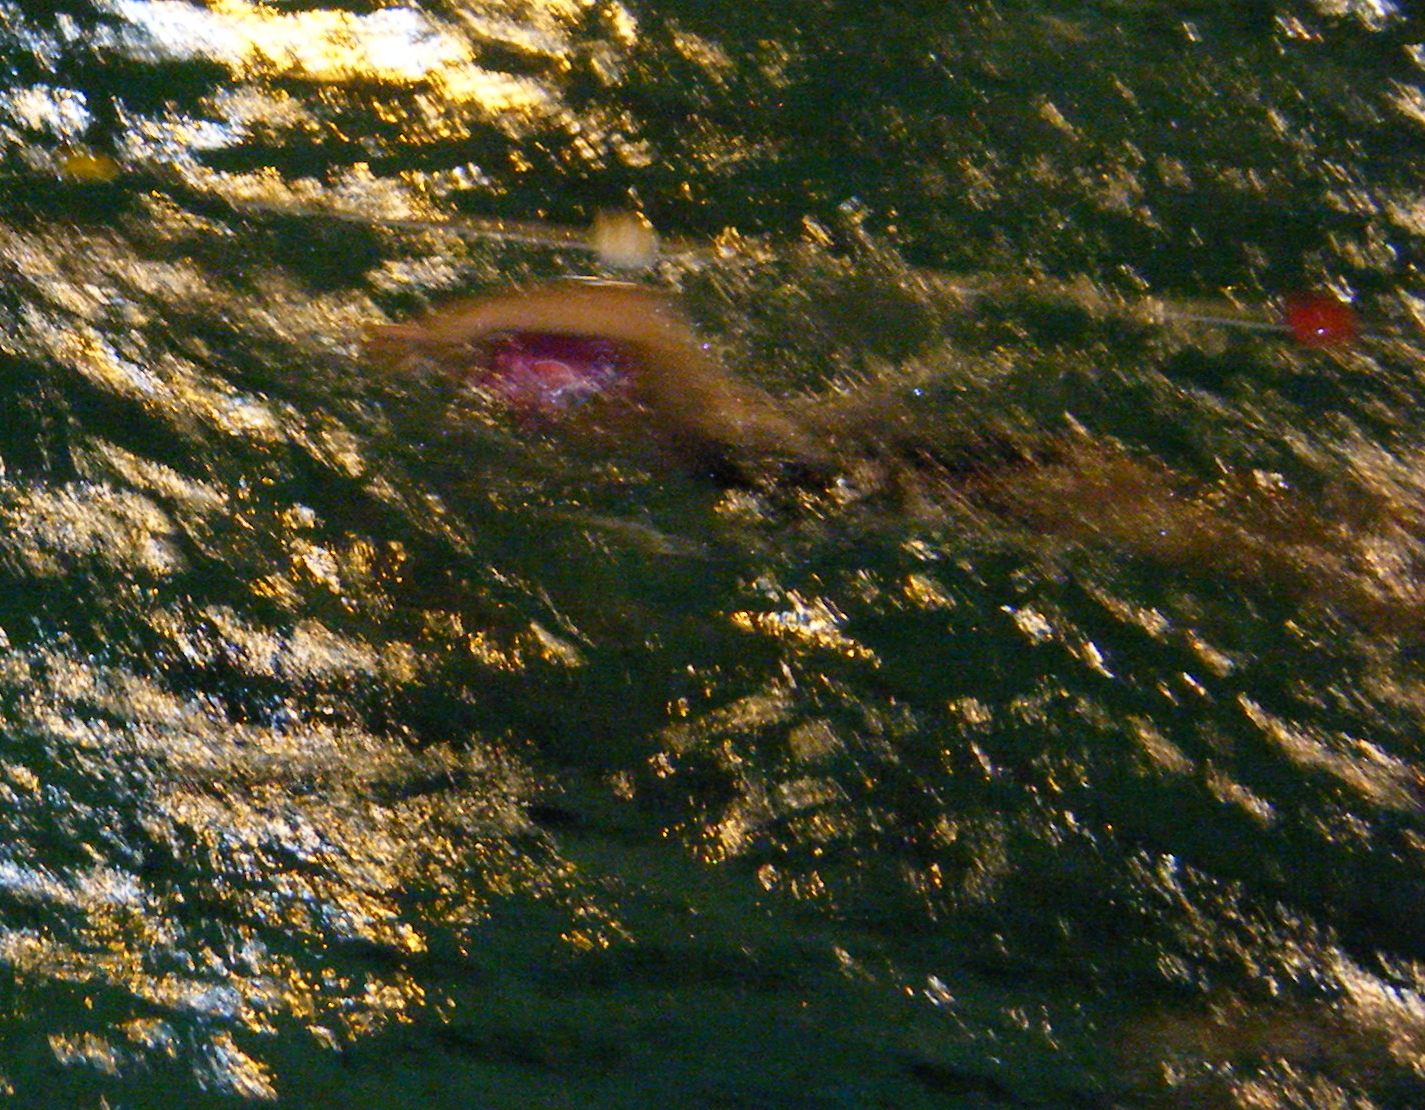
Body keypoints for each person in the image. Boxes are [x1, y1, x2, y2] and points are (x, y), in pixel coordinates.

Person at [367, 280, 1425, 627]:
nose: (574, 435)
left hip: (919, 478)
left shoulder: (703, 423)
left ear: (608, 400)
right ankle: (1378, 534)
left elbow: (637, 311)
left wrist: (446, 323)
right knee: (1186, 512)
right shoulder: (677, 452)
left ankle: (1379, 579)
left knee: (1191, 531)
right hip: (907, 476)